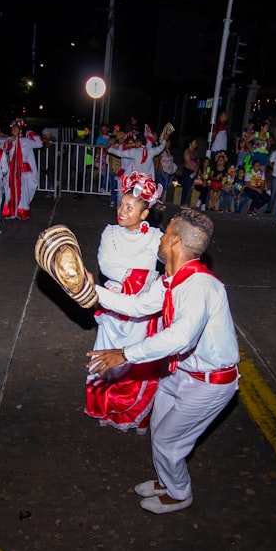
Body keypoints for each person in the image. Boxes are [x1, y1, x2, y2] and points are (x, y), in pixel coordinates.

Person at [86, 206, 239, 514]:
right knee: (159, 430)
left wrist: (126, 353)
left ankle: (180, 493)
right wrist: (93, 291)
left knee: (169, 442)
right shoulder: (171, 280)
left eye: (166, 232)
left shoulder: (200, 287)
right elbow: (138, 305)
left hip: (209, 385)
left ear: (175, 243)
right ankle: (167, 480)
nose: (160, 236)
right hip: (179, 372)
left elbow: (181, 338)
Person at [85, 171, 166, 433]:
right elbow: (106, 265)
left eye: (129, 208)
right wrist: (143, 277)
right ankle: (105, 406)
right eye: (121, 204)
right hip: (114, 305)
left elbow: (171, 263)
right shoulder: (109, 233)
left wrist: (148, 282)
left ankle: (134, 412)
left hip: (142, 308)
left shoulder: (156, 237)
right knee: (106, 356)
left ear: (144, 214)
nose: (121, 211)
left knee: (135, 358)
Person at [1, 118, 45, 220]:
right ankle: (11, 212)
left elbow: (39, 143)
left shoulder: (26, 141)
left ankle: (21, 212)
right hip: (12, 171)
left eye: (16, 130)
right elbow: (4, 150)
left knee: (23, 192)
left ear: (20, 131)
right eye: (12, 130)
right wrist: (9, 142)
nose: (13, 132)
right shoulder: (10, 141)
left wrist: (31, 134)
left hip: (23, 171)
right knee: (9, 191)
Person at [179, 136, 200, 208]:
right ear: (190, 144)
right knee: (185, 187)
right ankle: (183, 203)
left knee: (189, 187)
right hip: (187, 171)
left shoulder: (195, 152)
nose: (195, 144)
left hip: (193, 172)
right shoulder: (187, 151)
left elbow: (198, 162)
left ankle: (186, 203)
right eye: (194, 142)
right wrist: (193, 169)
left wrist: (196, 170)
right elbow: (188, 162)